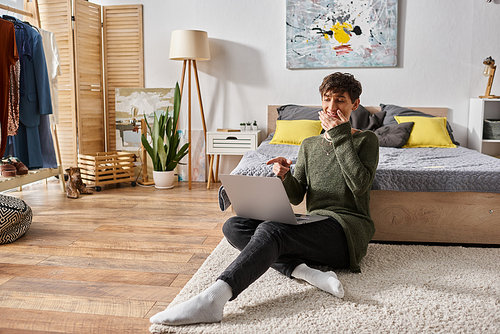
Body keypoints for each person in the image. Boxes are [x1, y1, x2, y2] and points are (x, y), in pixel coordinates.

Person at [150, 72, 379, 326]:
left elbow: (359, 186)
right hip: (315, 224)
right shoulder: (309, 145)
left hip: (346, 231)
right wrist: (285, 176)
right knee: (234, 225)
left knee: (271, 231)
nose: (332, 107)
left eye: (340, 100)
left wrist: (340, 135)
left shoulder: (366, 140)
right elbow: (295, 196)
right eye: (327, 99)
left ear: (355, 105)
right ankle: (304, 271)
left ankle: (214, 299)